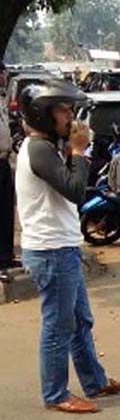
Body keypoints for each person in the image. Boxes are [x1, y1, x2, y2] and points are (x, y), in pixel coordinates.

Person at [15, 81, 120, 413]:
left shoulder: (48, 146)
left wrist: (76, 148)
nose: (70, 116)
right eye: (63, 110)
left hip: (63, 247)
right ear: (43, 115)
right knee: (58, 325)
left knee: (81, 320)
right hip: (51, 251)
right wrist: (79, 152)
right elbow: (76, 190)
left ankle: (94, 381)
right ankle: (56, 394)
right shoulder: (38, 149)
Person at [0, 62, 19, 281]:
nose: (4, 77)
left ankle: (6, 256)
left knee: (7, 210)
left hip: (4, 160)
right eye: (2, 73)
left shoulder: (3, 100)